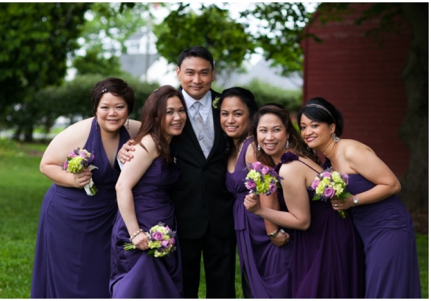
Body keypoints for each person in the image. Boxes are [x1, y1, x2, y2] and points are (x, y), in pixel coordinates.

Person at [119, 46, 234, 298]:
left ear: (213, 74)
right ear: (178, 72)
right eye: (190, 72)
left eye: (204, 73)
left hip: (221, 215)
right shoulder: (168, 107)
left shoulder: (226, 106)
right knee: (182, 286)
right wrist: (123, 150)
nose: (197, 79)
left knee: (224, 287)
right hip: (180, 217)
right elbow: (142, 132)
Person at [30, 77, 141, 298]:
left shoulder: (137, 130)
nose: (112, 113)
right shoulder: (79, 132)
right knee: (71, 277)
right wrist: (72, 180)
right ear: (95, 108)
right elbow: (46, 165)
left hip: (108, 217)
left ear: (128, 109)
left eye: (120, 107)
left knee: (102, 274)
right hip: (69, 215)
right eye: (105, 107)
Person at [299, 97, 420, 298]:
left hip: (389, 227)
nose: (307, 132)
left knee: (383, 290)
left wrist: (351, 201)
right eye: (303, 127)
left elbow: (392, 184)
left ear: (332, 127)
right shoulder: (328, 162)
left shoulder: (351, 150)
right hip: (364, 231)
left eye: (314, 125)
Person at [244, 105, 364, 298]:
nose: (269, 137)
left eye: (276, 130)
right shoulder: (287, 160)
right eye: (263, 131)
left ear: (288, 133)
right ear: (256, 136)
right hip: (320, 235)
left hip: (327, 238)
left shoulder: (289, 167)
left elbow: (301, 221)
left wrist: (259, 210)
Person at [110, 85, 185, 298]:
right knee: (139, 288)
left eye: (180, 110)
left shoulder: (168, 143)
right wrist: (135, 233)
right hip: (140, 227)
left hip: (162, 224)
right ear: (155, 115)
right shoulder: (149, 142)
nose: (177, 117)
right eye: (169, 112)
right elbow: (122, 186)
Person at [219, 89, 291, 298]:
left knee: (271, 282)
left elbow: (268, 188)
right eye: (225, 114)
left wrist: (273, 231)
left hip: (262, 226)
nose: (230, 120)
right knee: (253, 283)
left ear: (251, 116)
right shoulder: (231, 146)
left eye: (237, 113)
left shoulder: (251, 147)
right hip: (246, 225)